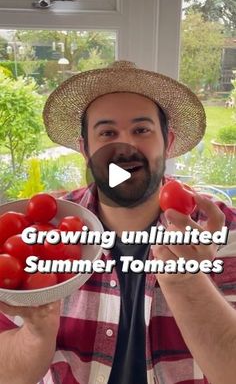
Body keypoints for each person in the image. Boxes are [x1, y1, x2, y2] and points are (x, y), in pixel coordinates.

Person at [0, 60, 236, 384]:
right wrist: (36, 335)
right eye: (107, 132)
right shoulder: (41, 229)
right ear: (86, 149)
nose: (125, 147)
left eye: (141, 130)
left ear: (167, 142)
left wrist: (188, 283)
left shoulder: (224, 231)